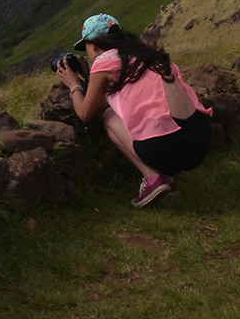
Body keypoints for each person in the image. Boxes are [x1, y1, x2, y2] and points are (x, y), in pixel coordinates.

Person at [55, 13, 212, 207]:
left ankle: (154, 179)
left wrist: (74, 85)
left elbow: (85, 114)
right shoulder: (146, 54)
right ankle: (167, 179)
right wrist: (90, 76)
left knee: (109, 116)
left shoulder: (104, 61)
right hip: (201, 140)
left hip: (168, 147)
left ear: (93, 45)